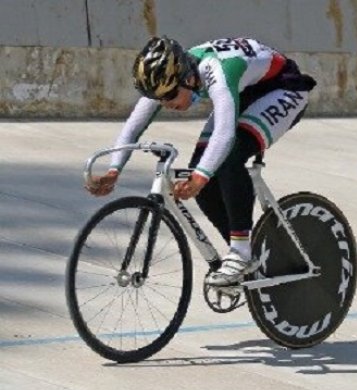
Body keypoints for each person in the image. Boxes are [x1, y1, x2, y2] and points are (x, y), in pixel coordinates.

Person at [85, 36, 316, 286]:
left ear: (187, 77)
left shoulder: (217, 69)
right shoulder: (165, 78)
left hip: (281, 89)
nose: (167, 103)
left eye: (171, 95)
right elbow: (133, 127)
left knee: (225, 161)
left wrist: (201, 176)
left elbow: (225, 135)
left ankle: (240, 253)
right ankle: (246, 252)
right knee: (201, 176)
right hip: (243, 89)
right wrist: (113, 170)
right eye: (160, 99)